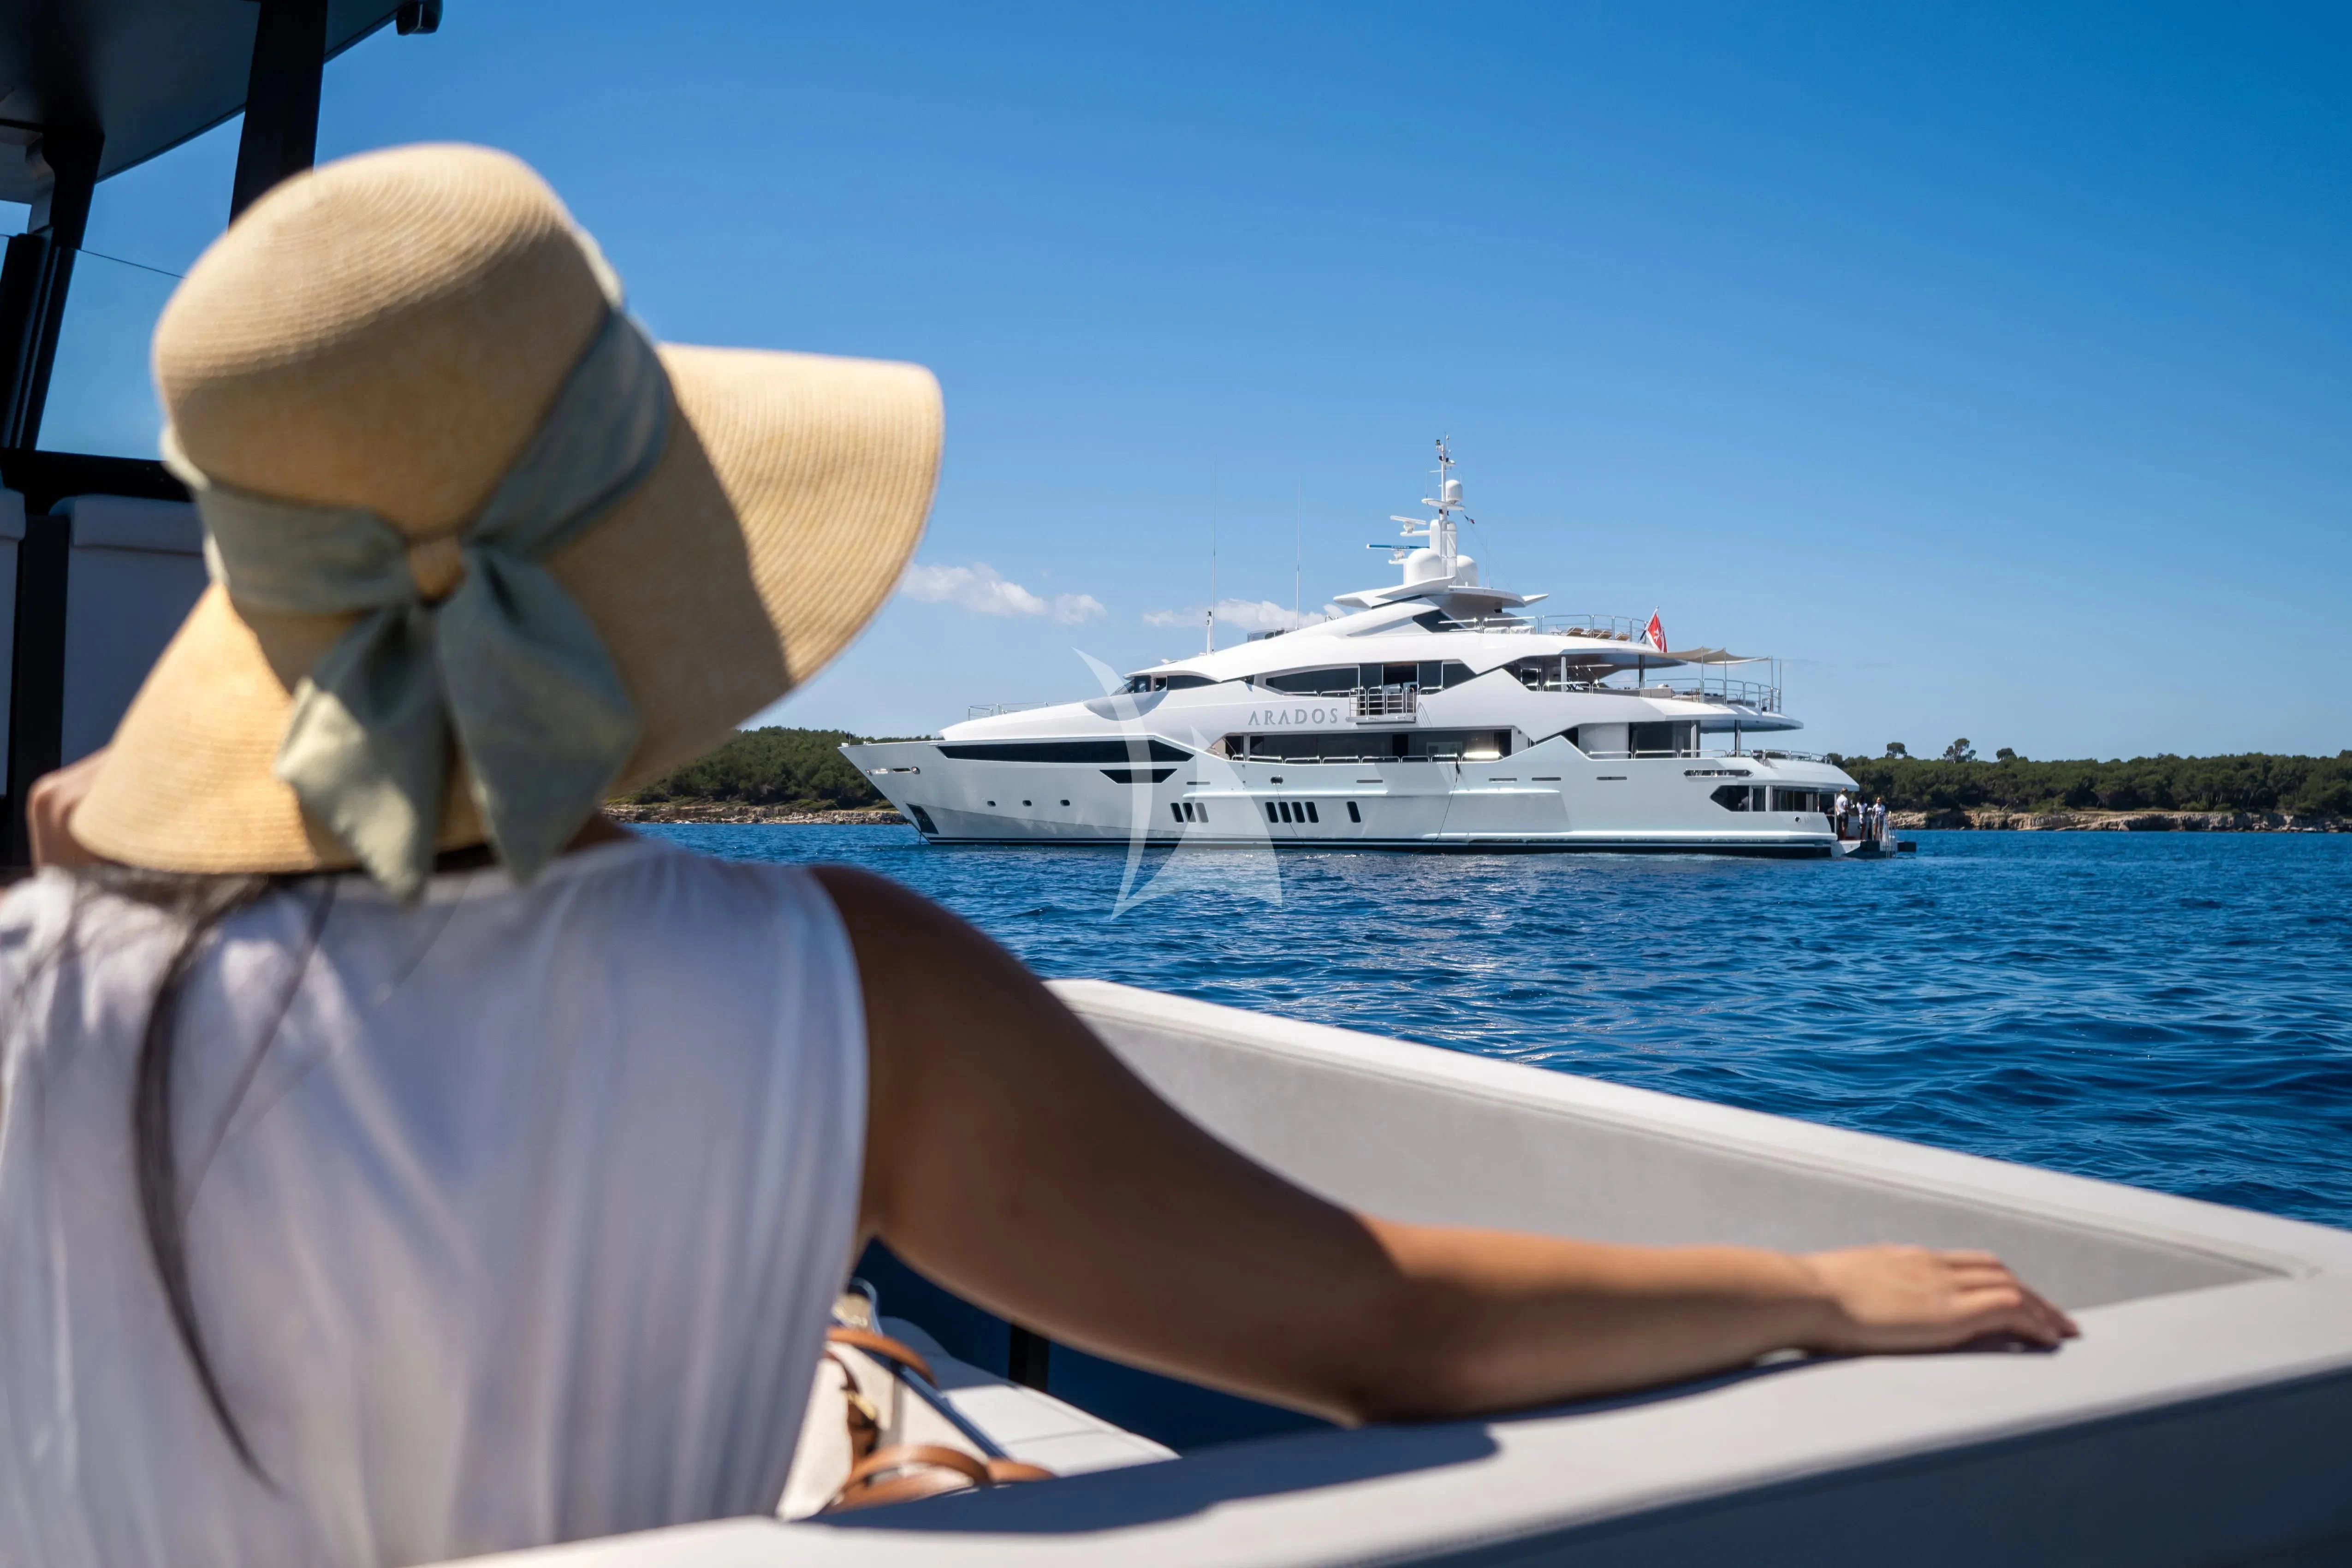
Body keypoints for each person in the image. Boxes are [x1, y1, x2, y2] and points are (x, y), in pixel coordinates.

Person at [0, 146, 2072, 1568]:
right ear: (639, 581)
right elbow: (1379, 1328)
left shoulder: (32, 980)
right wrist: (1812, 1282)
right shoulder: (830, 988)